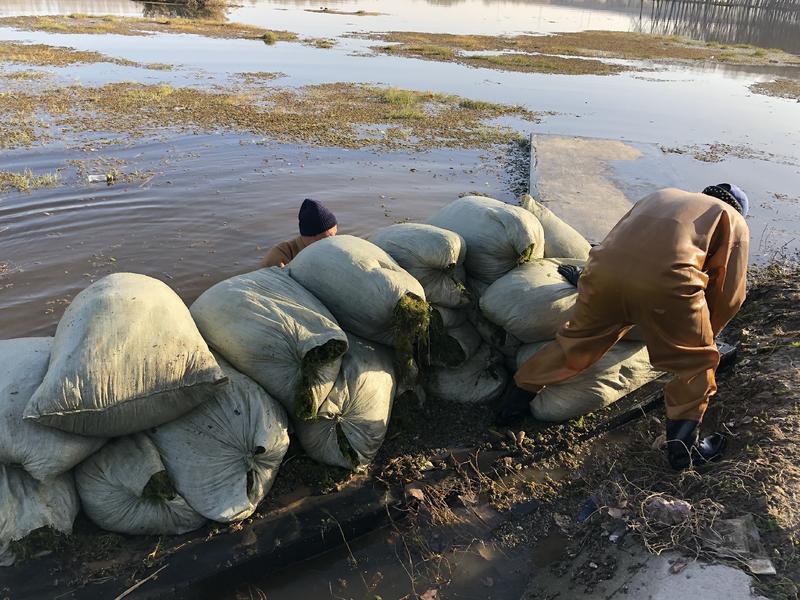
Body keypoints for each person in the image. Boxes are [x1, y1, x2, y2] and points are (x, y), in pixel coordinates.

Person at [497, 184, 750, 470]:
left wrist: (587, 279)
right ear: (739, 208)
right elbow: (730, 294)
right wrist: (708, 334)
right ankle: (683, 453)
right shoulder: (732, 218)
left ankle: (510, 407)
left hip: (603, 273)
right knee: (695, 366)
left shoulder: (662, 195)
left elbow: (616, 245)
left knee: (575, 342)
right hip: (668, 285)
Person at [260, 198, 338, 268]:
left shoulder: (328, 249)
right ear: (311, 238)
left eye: (335, 234)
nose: (334, 241)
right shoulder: (279, 257)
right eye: (329, 238)